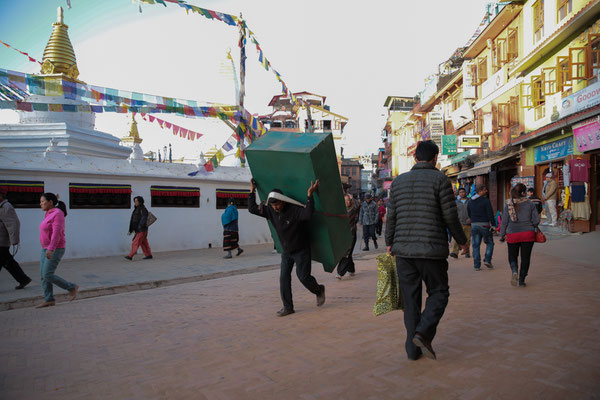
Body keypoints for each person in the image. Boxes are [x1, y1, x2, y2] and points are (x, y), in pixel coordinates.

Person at [386, 140, 467, 361]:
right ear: (435, 159)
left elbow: (391, 216)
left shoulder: (398, 182)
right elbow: (450, 215)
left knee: (411, 301)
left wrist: (389, 241)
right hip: (432, 250)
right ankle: (422, 333)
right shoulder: (440, 179)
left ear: (415, 158)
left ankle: (413, 351)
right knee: (439, 292)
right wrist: (462, 241)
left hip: (403, 252)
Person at [248, 178, 325, 317]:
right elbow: (252, 209)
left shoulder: (294, 210)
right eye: (273, 206)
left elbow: (308, 214)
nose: (276, 208)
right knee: (283, 278)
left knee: (303, 277)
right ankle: (288, 307)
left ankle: (319, 290)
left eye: (277, 204)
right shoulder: (270, 211)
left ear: (283, 201)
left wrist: (309, 196)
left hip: (301, 250)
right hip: (286, 252)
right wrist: (251, 191)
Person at [36, 193, 78, 308]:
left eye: (42, 201)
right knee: (42, 275)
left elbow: (56, 233)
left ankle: (71, 287)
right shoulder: (48, 213)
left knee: (47, 274)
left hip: (55, 248)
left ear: (50, 202)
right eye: (40, 202)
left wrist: (51, 249)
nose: (40, 204)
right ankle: (49, 299)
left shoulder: (57, 213)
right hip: (45, 248)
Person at [499, 183, 540, 287]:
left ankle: (514, 271)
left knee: (512, 256)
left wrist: (502, 234)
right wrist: (532, 225)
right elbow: (536, 220)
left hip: (512, 234)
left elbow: (504, 221)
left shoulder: (508, 204)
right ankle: (522, 280)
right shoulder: (530, 203)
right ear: (523, 193)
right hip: (528, 233)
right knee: (525, 258)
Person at [0, 190, 32, 290]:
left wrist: (14, 240)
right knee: (9, 262)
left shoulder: (7, 207)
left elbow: (13, 224)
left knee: (8, 262)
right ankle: (23, 279)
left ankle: (23, 279)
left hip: (2, 241)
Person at [467, 184, 496, 271]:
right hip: (484, 224)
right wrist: (493, 225)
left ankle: (476, 265)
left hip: (474, 225)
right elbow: (490, 213)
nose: (486, 191)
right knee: (490, 242)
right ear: (480, 191)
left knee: (476, 245)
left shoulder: (470, 201)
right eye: (485, 190)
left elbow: (469, 213)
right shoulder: (485, 201)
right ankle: (487, 259)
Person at [336, 193, 360, 279]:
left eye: (348, 201)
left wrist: (352, 198)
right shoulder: (340, 210)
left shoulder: (353, 209)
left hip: (351, 235)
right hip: (343, 235)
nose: (346, 202)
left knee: (346, 253)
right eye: (345, 201)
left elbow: (358, 205)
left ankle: (340, 273)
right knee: (348, 253)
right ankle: (351, 270)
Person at [125, 196, 153, 261]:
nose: (135, 202)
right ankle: (149, 255)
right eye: (134, 201)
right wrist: (131, 229)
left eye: (136, 201)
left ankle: (130, 255)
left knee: (135, 242)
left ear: (140, 201)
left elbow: (143, 218)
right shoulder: (137, 208)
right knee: (144, 243)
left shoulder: (143, 209)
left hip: (141, 229)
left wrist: (139, 227)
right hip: (140, 229)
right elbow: (133, 219)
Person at [449, 187, 471, 259]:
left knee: (467, 238)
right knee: (456, 238)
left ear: (466, 193)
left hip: (468, 223)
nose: (462, 193)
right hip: (459, 223)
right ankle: (455, 252)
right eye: (460, 192)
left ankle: (467, 252)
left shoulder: (470, 201)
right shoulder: (456, 202)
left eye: (463, 192)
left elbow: (473, 211)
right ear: (459, 194)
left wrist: (471, 218)